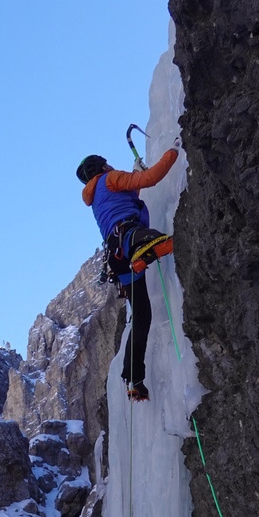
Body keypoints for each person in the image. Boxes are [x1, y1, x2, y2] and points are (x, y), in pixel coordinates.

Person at [76, 146, 178, 401]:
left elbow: (130, 190)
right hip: (129, 239)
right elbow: (149, 179)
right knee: (156, 240)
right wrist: (173, 152)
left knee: (142, 316)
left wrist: (135, 172)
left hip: (117, 259)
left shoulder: (96, 195)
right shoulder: (109, 178)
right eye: (107, 164)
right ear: (102, 167)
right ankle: (149, 248)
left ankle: (134, 378)